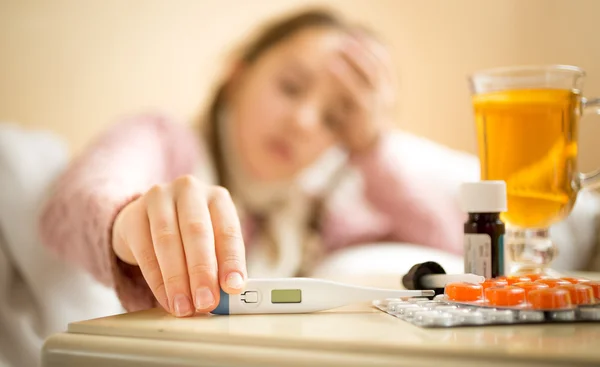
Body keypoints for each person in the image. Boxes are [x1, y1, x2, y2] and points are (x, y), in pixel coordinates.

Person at [38, 8, 465, 318]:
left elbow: (449, 250)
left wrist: (373, 147)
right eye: (291, 86)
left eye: (334, 119)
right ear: (237, 74)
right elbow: (74, 201)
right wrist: (128, 221)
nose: (302, 123)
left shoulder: (312, 214)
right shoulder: (163, 140)